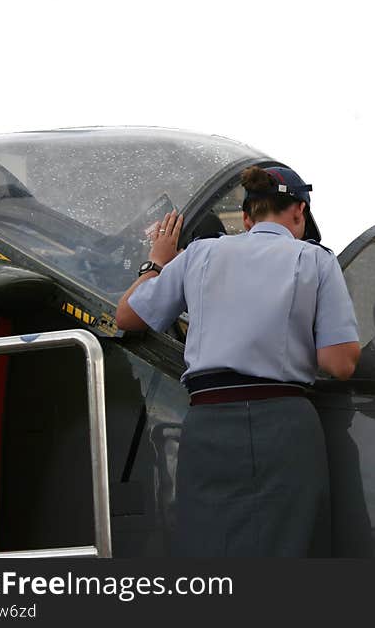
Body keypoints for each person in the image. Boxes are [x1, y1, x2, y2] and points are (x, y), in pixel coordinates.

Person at [114, 165, 360, 557]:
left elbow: (126, 316)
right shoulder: (315, 261)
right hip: (284, 427)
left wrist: (157, 262)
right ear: (299, 211)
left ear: (246, 218)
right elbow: (340, 363)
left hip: (208, 425)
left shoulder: (199, 254)